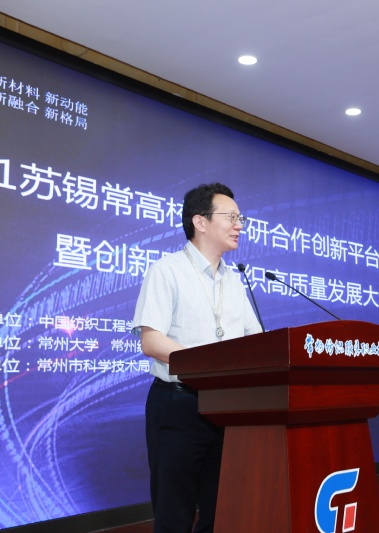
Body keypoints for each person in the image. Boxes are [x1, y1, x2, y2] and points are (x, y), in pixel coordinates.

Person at [132, 183, 262, 533]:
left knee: (220, 514)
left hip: (227, 409)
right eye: (231, 217)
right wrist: (209, 363)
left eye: (241, 218)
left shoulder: (234, 280)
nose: (239, 225)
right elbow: (151, 340)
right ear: (200, 222)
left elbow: (256, 342)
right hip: (179, 406)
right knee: (174, 516)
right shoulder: (167, 270)